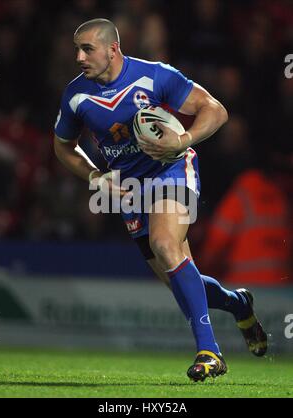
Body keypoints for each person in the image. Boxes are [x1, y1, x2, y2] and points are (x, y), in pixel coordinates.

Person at [53, 18, 267, 382]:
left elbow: (215, 109)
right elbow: (62, 146)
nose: (79, 57)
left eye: (87, 49)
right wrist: (94, 175)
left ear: (112, 49)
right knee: (179, 280)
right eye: (77, 49)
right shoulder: (76, 96)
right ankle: (237, 303)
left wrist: (182, 141)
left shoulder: (154, 77)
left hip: (170, 170)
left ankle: (210, 352)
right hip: (129, 190)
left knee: (165, 244)